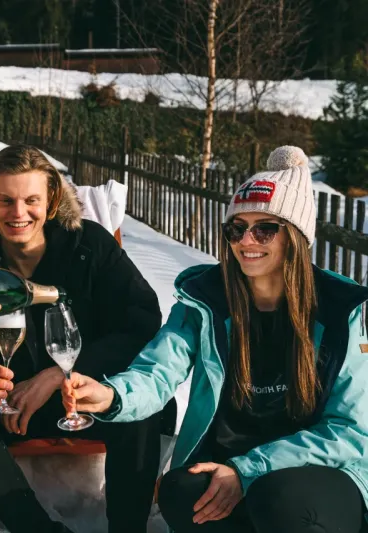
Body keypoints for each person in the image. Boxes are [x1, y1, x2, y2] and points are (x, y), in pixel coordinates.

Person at [61, 146, 368, 533]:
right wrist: (111, 396)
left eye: (265, 228)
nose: (246, 240)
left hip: (317, 473)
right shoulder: (207, 299)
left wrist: (246, 470)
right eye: (236, 228)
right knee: (182, 491)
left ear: (295, 236)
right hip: (228, 463)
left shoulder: (342, 310)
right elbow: (158, 371)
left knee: (279, 498)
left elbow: (350, 430)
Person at [0, 144, 170, 533]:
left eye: (31, 200)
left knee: (137, 399)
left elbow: (140, 322)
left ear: (52, 200)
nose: (18, 213)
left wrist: (63, 375)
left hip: (84, 398)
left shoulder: (90, 246)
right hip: (6, 408)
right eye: (5, 200)